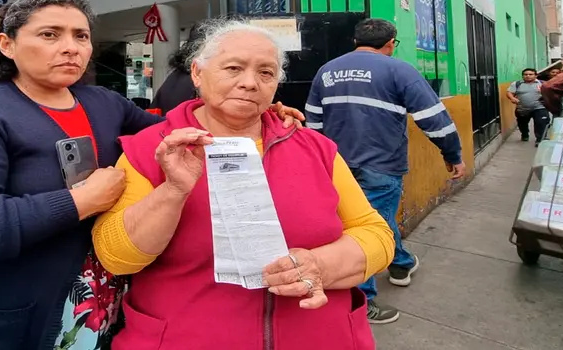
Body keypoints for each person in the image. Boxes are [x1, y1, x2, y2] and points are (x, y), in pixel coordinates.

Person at [0, 0, 304, 350]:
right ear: (7, 45)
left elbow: (178, 130)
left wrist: (254, 111)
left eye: (81, 36)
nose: (70, 47)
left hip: (99, 307)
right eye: (50, 34)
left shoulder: (102, 103)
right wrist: (79, 201)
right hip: (8, 313)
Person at [92, 19, 393, 349]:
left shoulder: (314, 147)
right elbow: (116, 256)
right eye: (233, 68)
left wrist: (320, 265)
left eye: (266, 73)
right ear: (197, 73)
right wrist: (173, 192)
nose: (250, 83)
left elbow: (376, 234)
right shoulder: (153, 148)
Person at [303, 18, 465, 325]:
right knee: (370, 227)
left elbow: (313, 122)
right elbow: (433, 117)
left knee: (368, 220)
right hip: (381, 164)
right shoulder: (399, 70)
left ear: (356, 41)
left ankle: (400, 262)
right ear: (390, 43)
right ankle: (363, 301)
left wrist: (319, 162)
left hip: (337, 165)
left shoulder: (327, 71)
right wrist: (452, 155)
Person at [507, 68, 550, 144]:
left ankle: (540, 140)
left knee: (541, 123)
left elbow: (551, 93)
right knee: (522, 124)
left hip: (540, 107)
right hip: (522, 108)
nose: (528, 76)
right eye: (525, 74)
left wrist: (545, 94)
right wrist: (512, 98)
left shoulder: (543, 83)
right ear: (522, 76)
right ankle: (525, 134)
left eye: (530, 74)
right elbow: (509, 92)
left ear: (536, 75)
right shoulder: (517, 84)